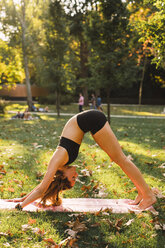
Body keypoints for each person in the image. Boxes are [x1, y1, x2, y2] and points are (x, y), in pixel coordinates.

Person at [7, 110, 156, 210]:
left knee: (120, 159)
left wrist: (21, 206)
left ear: (61, 175)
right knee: (119, 159)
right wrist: (24, 198)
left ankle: (148, 195)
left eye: (72, 177)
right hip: (90, 121)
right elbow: (43, 185)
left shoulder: (57, 160)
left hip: (93, 120)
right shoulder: (61, 164)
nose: (76, 175)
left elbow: (42, 189)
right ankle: (142, 192)